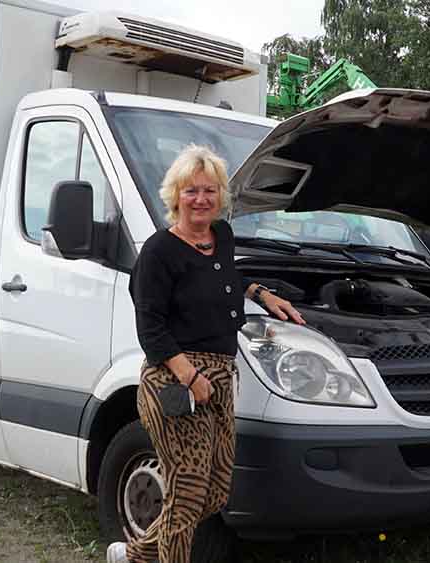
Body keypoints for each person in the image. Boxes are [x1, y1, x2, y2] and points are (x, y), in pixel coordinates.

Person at [106, 145, 304, 563]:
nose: (201, 199)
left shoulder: (221, 237)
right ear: (175, 195)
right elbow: (151, 328)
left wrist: (262, 294)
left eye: (210, 190)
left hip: (220, 378)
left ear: (221, 196)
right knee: (188, 490)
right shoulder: (159, 251)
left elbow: (225, 276)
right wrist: (190, 377)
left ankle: (137, 555)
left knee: (214, 493)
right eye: (191, 190)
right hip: (174, 380)